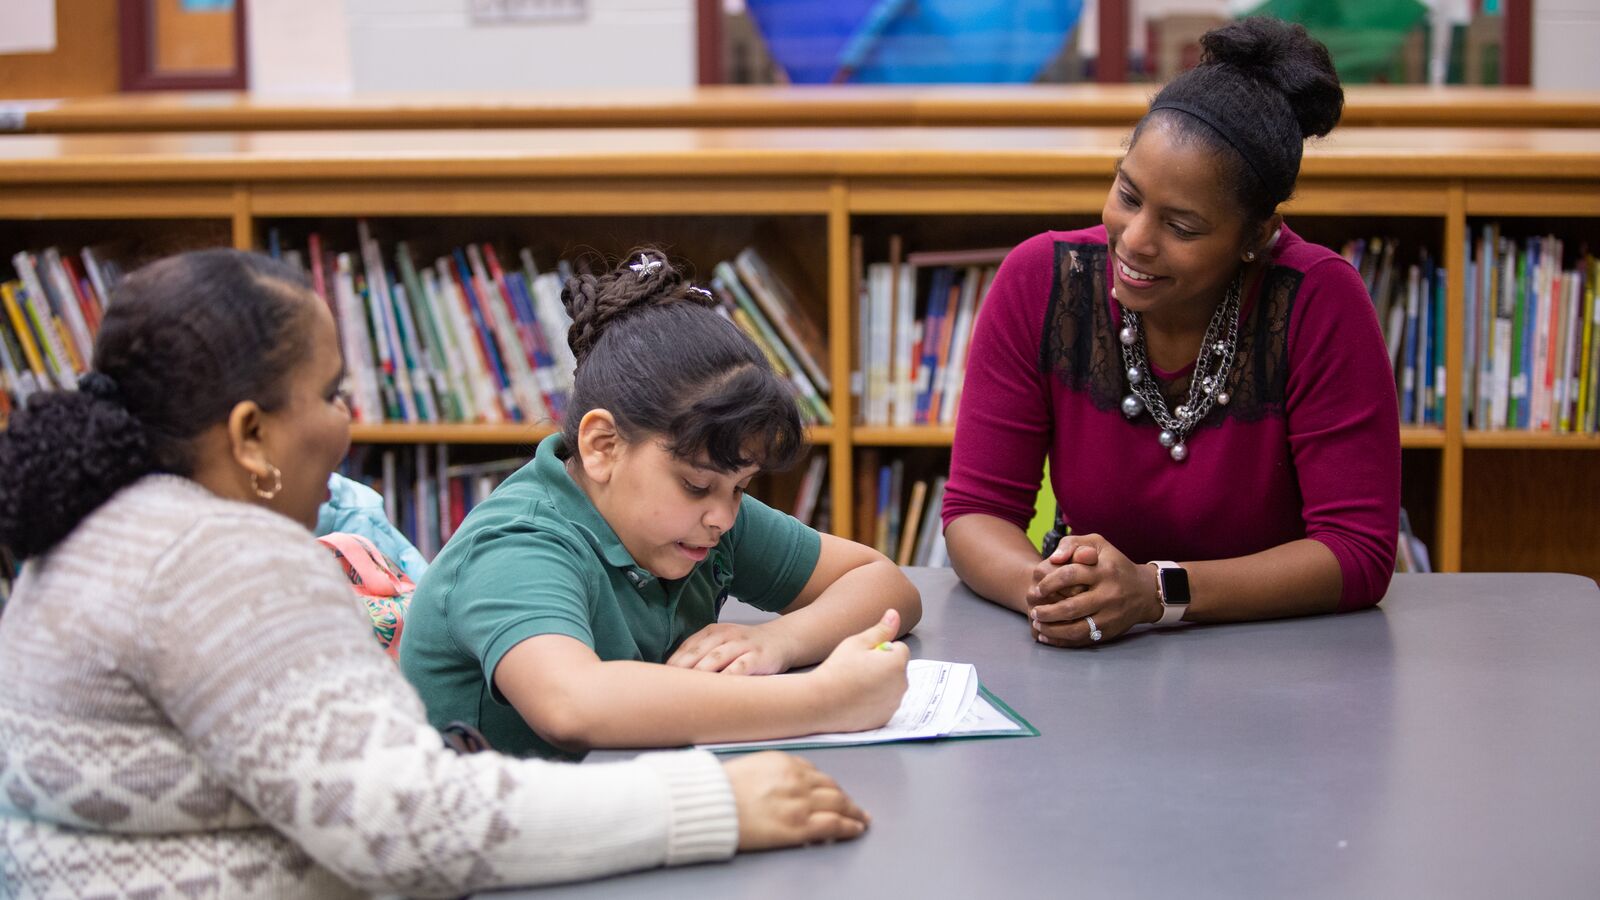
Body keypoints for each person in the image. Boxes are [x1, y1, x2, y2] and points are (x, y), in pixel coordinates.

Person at [0, 249, 881, 899]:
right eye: (335, 393)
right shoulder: (221, 561)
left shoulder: (104, 528)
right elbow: (410, 825)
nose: (349, 422)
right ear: (248, 436)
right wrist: (717, 798)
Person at [941, 18, 1400, 647]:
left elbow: (1357, 553)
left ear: (1255, 238)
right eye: (1128, 195)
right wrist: (1053, 595)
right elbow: (977, 512)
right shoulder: (1040, 282)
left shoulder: (1319, 302)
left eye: (1181, 227)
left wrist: (1156, 593)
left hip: (1278, 656)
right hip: (1089, 661)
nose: (1135, 240)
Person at [400, 249, 921, 758]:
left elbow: (884, 583)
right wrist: (825, 700)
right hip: (501, 833)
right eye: (697, 485)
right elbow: (571, 704)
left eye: (740, 487)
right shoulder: (519, 546)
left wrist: (780, 641)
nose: (724, 516)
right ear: (602, 447)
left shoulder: (699, 519)